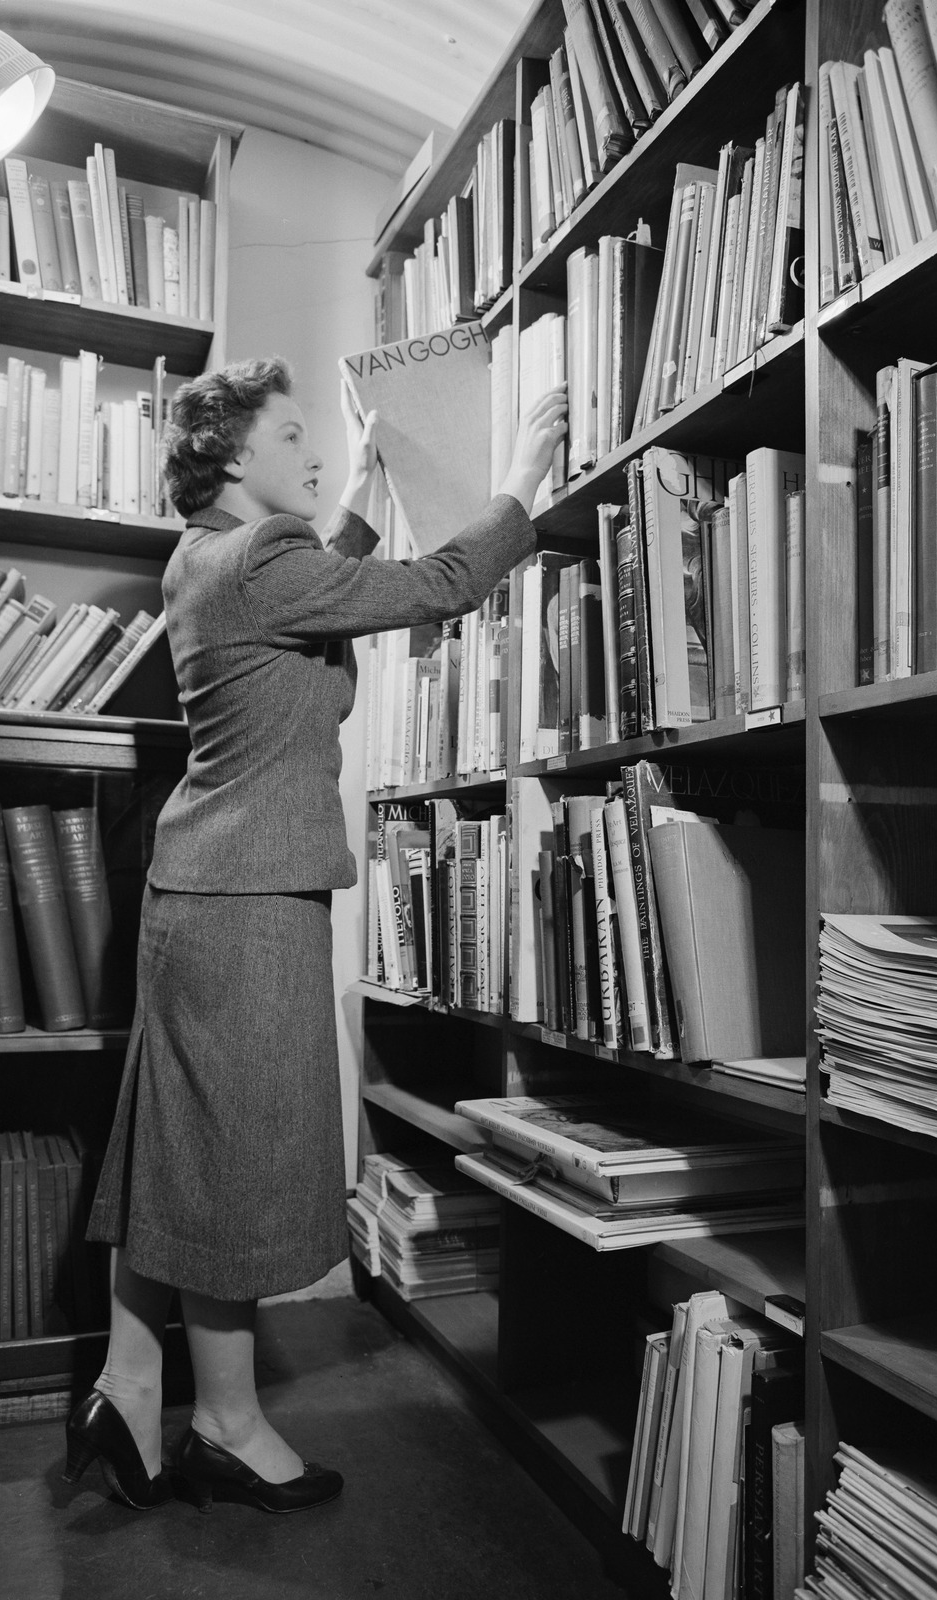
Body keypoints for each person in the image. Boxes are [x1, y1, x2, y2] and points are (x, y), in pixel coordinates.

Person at [63, 354, 567, 1514]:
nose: (315, 452)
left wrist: (363, 477)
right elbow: (436, 583)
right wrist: (520, 478)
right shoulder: (261, 563)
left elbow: (309, 585)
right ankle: (228, 1425)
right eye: (293, 437)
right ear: (235, 457)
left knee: (177, 1154)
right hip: (249, 909)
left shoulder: (208, 560)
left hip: (200, 896)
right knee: (230, 1166)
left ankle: (129, 1389)